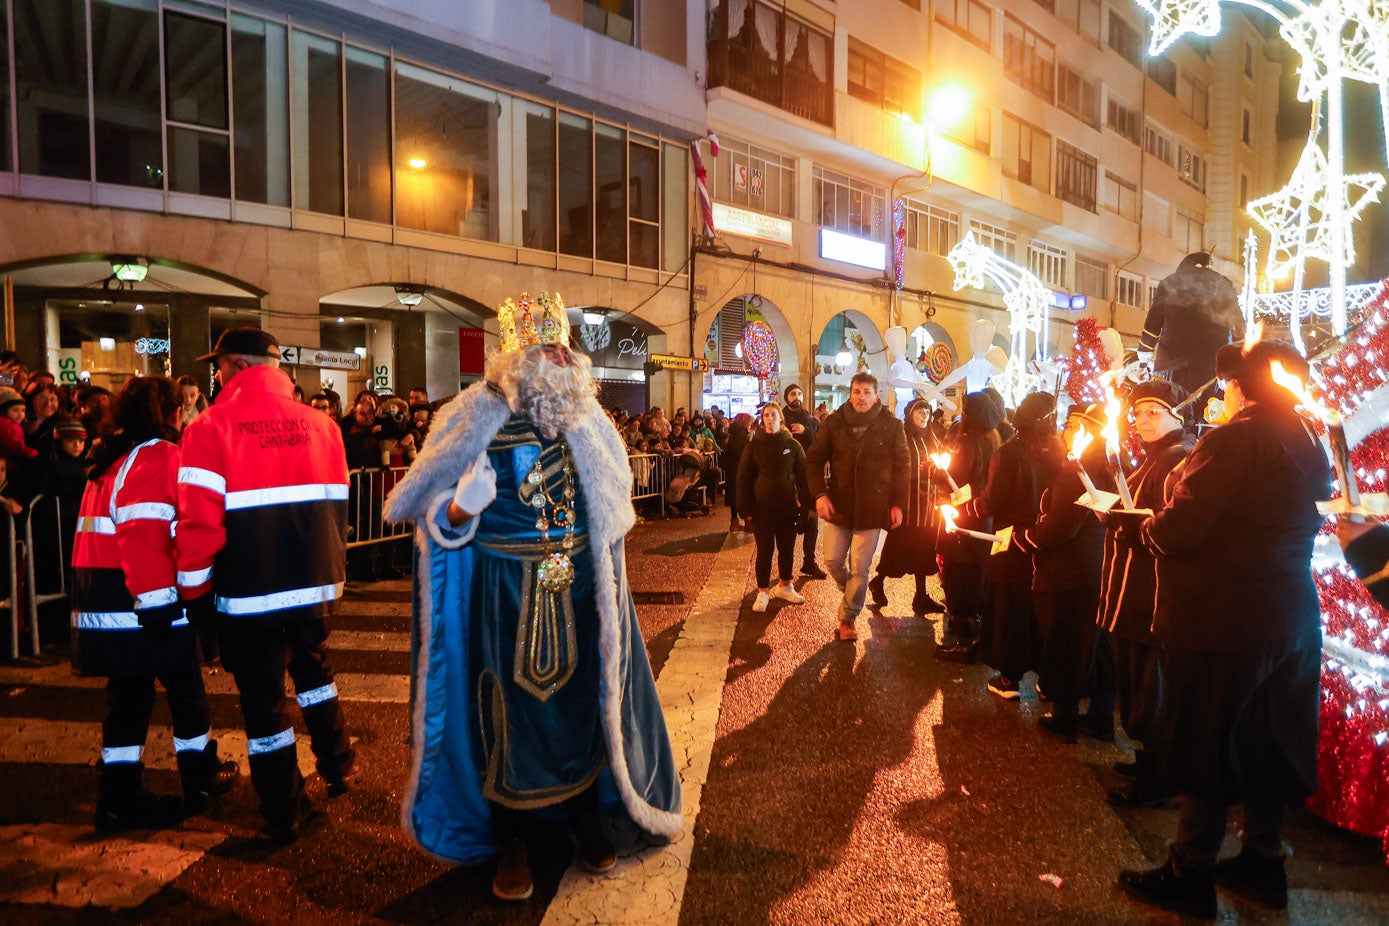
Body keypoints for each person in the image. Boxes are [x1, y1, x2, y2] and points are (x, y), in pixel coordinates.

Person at [382, 292, 681, 902]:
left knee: (580, 703)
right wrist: (462, 507)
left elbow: (614, 507)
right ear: (513, 357)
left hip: (578, 588)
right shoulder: (474, 414)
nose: (556, 359)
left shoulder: (589, 419)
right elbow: (431, 514)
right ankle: (510, 835)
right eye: (543, 349)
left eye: (562, 349)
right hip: (501, 592)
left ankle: (581, 817)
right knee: (506, 709)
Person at [1120, 341, 1331, 919]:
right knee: (1268, 737)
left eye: (1227, 386)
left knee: (1207, 739)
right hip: (1292, 616)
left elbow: (1180, 528)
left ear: (1239, 387)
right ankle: (1264, 863)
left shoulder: (1234, 437)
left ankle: (1191, 871)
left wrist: (1145, 530)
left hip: (1225, 620)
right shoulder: (1310, 438)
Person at [177, 327, 354, 843]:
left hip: (249, 590)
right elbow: (336, 506)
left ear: (234, 366)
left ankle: (284, 807)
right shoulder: (322, 425)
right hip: (314, 586)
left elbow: (198, 525)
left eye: (219, 365)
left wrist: (194, 595)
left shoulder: (210, 428)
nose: (216, 374)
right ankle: (339, 763)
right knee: (316, 674)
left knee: (264, 702)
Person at [71, 377, 238, 832]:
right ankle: (199, 780)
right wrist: (162, 604)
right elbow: (143, 531)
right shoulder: (158, 456)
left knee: (128, 701)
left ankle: (118, 797)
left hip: (107, 600)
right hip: (144, 604)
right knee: (185, 693)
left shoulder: (110, 458)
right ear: (169, 413)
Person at [1099, 381, 1194, 808]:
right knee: (1133, 680)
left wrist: (1126, 524)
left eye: (1153, 412)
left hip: (1149, 595)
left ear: (1176, 414)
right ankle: (1147, 759)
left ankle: (1160, 773)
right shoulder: (1152, 458)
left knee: (1149, 686)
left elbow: (1167, 528)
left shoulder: (1178, 460)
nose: (1142, 421)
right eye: (1137, 414)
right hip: (1129, 591)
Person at [1013, 401, 1116, 742]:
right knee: (1095, 646)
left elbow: (1060, 528)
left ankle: (1065, 716)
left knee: (1067, 643)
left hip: (1068, 572)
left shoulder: (1079, 471)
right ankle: (1100, 717)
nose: (1065, 430)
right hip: (1097, 569)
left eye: (1073, 425)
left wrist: (1025, 537)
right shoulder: (1112, 465)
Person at [959, 391, 1063, 699]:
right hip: (1046, 538)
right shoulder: (1057, 450)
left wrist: (970, 508)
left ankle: (1009, 678)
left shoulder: (1009, 452)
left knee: (1010, 607)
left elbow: (993, 499)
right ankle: (1047, 679)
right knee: (1040, 608)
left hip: (1011, 539)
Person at [805, 372, 909, 642]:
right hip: (839, 505)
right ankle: (852, 592)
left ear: (876, 396)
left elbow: (902, 468)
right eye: (856, 391)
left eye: (866, 392)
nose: (860, 397)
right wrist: (819, 494)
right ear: (850, 394)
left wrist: (898, 503)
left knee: (860, 568)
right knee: (833, 561)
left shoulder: (892, 425)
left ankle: (847, 618)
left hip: (873, 508)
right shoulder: (835, 423)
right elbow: (814, 459)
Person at [934, 391, 1004, 662]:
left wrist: (939, 474)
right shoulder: (993, 440)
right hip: (982, 519)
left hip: (961, 517)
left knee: (957, 577)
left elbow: (954, 479)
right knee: (976, 576)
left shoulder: (966, 444)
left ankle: (964, 641)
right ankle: (975, 634)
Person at [868, 397, 944, 614]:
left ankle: (921, 596)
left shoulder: (932, 438)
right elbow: (895, 469)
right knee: (898, 548)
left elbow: (940, 464)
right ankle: (878, 580)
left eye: (927, 413)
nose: (924, 416)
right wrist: (921, 471)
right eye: (919, 412)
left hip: (927, 507)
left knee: (924, 550)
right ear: (910, 414)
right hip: (908, 506)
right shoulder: (902, 438)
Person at [1137, 252, 1242, 396]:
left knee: (1178, 410)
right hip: (1215, 366)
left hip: (1174, 365)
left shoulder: (1170, 283)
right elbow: (1239, 328)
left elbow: (1152, 325)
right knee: (1210, 413)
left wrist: (1143, 363)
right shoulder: (1224, 285)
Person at [738, 403, 810, 613]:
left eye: (773, 415)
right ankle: (762, 591)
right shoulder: (753, 446)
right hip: (762, 508)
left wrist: (807, 506)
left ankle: (785, 585)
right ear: (762, 420)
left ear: (781, 418)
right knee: (765, 551)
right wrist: (745, 509)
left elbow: (804, 478)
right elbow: (743, 478)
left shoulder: (793, 445)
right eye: (766, 416)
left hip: (787, 507)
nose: (770, 419)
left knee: (787, 548)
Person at [782, 383, 827, 578]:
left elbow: (819, 445)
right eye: (793, 393)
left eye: (799, 393)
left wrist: (805, 431)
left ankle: (809, 561)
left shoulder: (811, 421)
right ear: (787, 397)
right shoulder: (779, 418)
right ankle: (786, 569)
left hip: (808, 477)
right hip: (786, 478)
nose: (797, 396)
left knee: (812, 521)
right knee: (788, 524)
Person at [722, 412, 753, 531]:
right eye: (749, 423)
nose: (750, 426)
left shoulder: (734, 433)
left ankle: (734, 522)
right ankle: (748, 523)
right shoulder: (741, 434)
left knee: (735, 497)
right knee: (744, 496)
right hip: (739, 470)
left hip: (733, 470)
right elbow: (739, 452)